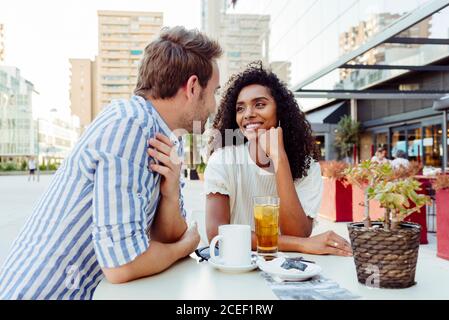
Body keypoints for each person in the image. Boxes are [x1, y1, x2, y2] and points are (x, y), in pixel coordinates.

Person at [0, 26, 222, 300]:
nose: (214, 106)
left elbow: (167, 237)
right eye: (214, 92)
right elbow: (122, 265)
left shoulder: (164, 137)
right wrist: (186, 245)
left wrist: (171, 192)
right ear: (192, 87)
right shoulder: (129, 125)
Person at [204, 62, 352, 257]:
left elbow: (297, 232)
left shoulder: (307, 167)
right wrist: (300, 245)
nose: (248, 114)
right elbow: (217, 234)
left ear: (280, 111)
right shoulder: (223, 160)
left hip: (288, 274)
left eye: (260, 104)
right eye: (240, 108)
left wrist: (279, 159)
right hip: (236, 271)